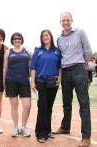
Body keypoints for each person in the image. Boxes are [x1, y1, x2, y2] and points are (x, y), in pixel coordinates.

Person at [55, 12, 92, 147]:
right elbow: (60, 56)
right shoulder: (58, 38)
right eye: (63, 20)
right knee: (66, 102)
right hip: (65, 72)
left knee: (84, 104)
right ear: (60, 22)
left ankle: (86, 137)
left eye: (67, 20)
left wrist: (85, 69)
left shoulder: (80, 32)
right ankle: (65, 127)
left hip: (79, 69)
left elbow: (87, 50)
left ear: (71, 20)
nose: (65, 22)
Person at [30, 29, 61, 143]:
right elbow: (33, 67)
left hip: (53, 82)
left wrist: (60, 79)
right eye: (43, 36)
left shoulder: (57, 51)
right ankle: (40, 133)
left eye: (47, 35)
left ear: (50, 36)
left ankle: (48, 130)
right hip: (41, 82)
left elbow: (60, 67)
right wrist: (32, 82)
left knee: (49, 107)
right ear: (41, 38)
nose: (45, 37)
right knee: (42, 107)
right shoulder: (38, 51)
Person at [4, 32, 31, 137]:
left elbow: (34, 63)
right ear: (12, 40)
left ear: (21, 40)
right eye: (15, 38)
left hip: (24, 81)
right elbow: (5, 68)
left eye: (19, 38)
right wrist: (3, 81)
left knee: (27, 105)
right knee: (14, 105)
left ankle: (24, 127)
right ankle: (15, 127)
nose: (17, 40)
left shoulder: (27, 51)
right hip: (11, 81)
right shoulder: (8, 52)